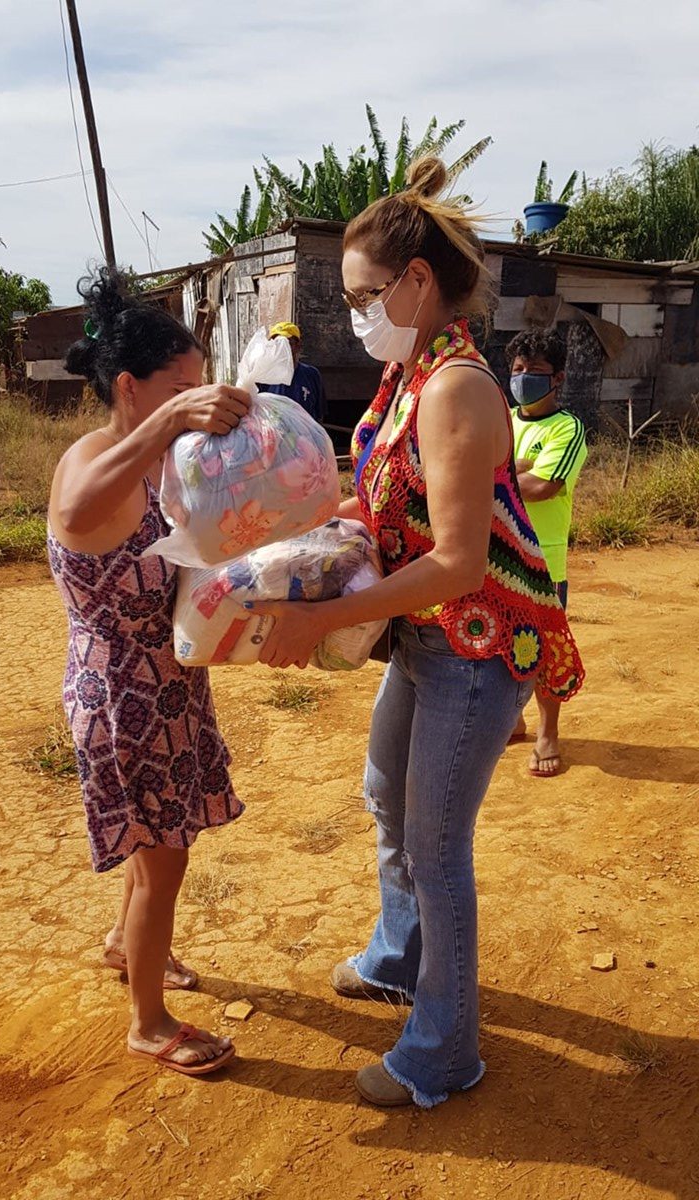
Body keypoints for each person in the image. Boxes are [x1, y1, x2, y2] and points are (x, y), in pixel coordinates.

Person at [246, 156, 584, 1109]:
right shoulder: (407, 374)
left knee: (436, 845)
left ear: (417, 282)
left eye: (363, 295)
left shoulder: (458, 390)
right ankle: (401, 957)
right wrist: (312, 527)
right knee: (385, 795)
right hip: (431, 638)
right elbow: (390, 502)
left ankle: (443, 1050)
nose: (354, 313)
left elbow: (459, 562)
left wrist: (318, 616)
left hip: (477, 646)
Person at [47, 269, 252, 1075]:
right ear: (130, 389)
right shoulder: (95, 459)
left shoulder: (154, 466)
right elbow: (72, 514)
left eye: (199, 388)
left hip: (163, 687)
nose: (196, 403)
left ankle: (124, 945)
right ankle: (147, 1021)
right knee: (164, 855)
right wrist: (167, 423)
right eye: (180, 390)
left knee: (155, 844)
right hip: (122, 700)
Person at [506, 328, 587, 778]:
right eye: (518, 371)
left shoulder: (567, 428)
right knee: (501, 645)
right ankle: (512, 721)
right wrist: (513, 468)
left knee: (546, 651)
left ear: (557, 379)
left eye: (535, 373)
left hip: (543, 561)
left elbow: (544, 485)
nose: (523, 380)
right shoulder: (503, 418)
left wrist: (496, 473)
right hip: (497, 554)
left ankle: (548, 733)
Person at [258, 320, 327, 423]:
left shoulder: (311, 374)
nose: (281, 348)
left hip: (304, 436)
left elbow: (319, 413)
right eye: (276, 343)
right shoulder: (263, 376)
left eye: (286, 343)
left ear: (298, 345)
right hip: (273, 436)